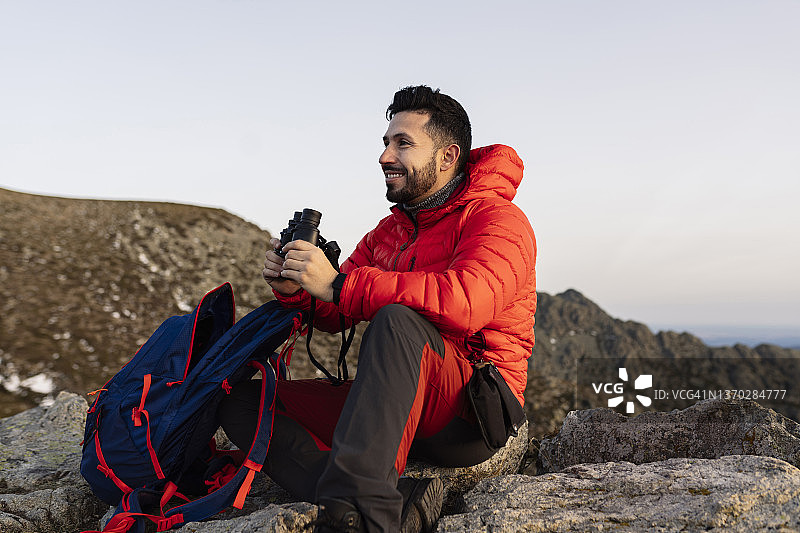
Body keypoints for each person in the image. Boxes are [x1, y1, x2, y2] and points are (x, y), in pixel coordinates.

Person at [219, 85, 536, 532]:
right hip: (396, 402)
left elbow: (466, 301)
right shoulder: (390, 232)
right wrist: (298, 288)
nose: (385, 156)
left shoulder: (497, 220)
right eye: (385, 142)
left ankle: (363, 519)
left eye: (402, 143)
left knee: (397, 321)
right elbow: (334, 310)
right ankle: (388, 500)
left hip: (471, 411)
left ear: (447, 157)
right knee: (241, 399)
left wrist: (341, 283)